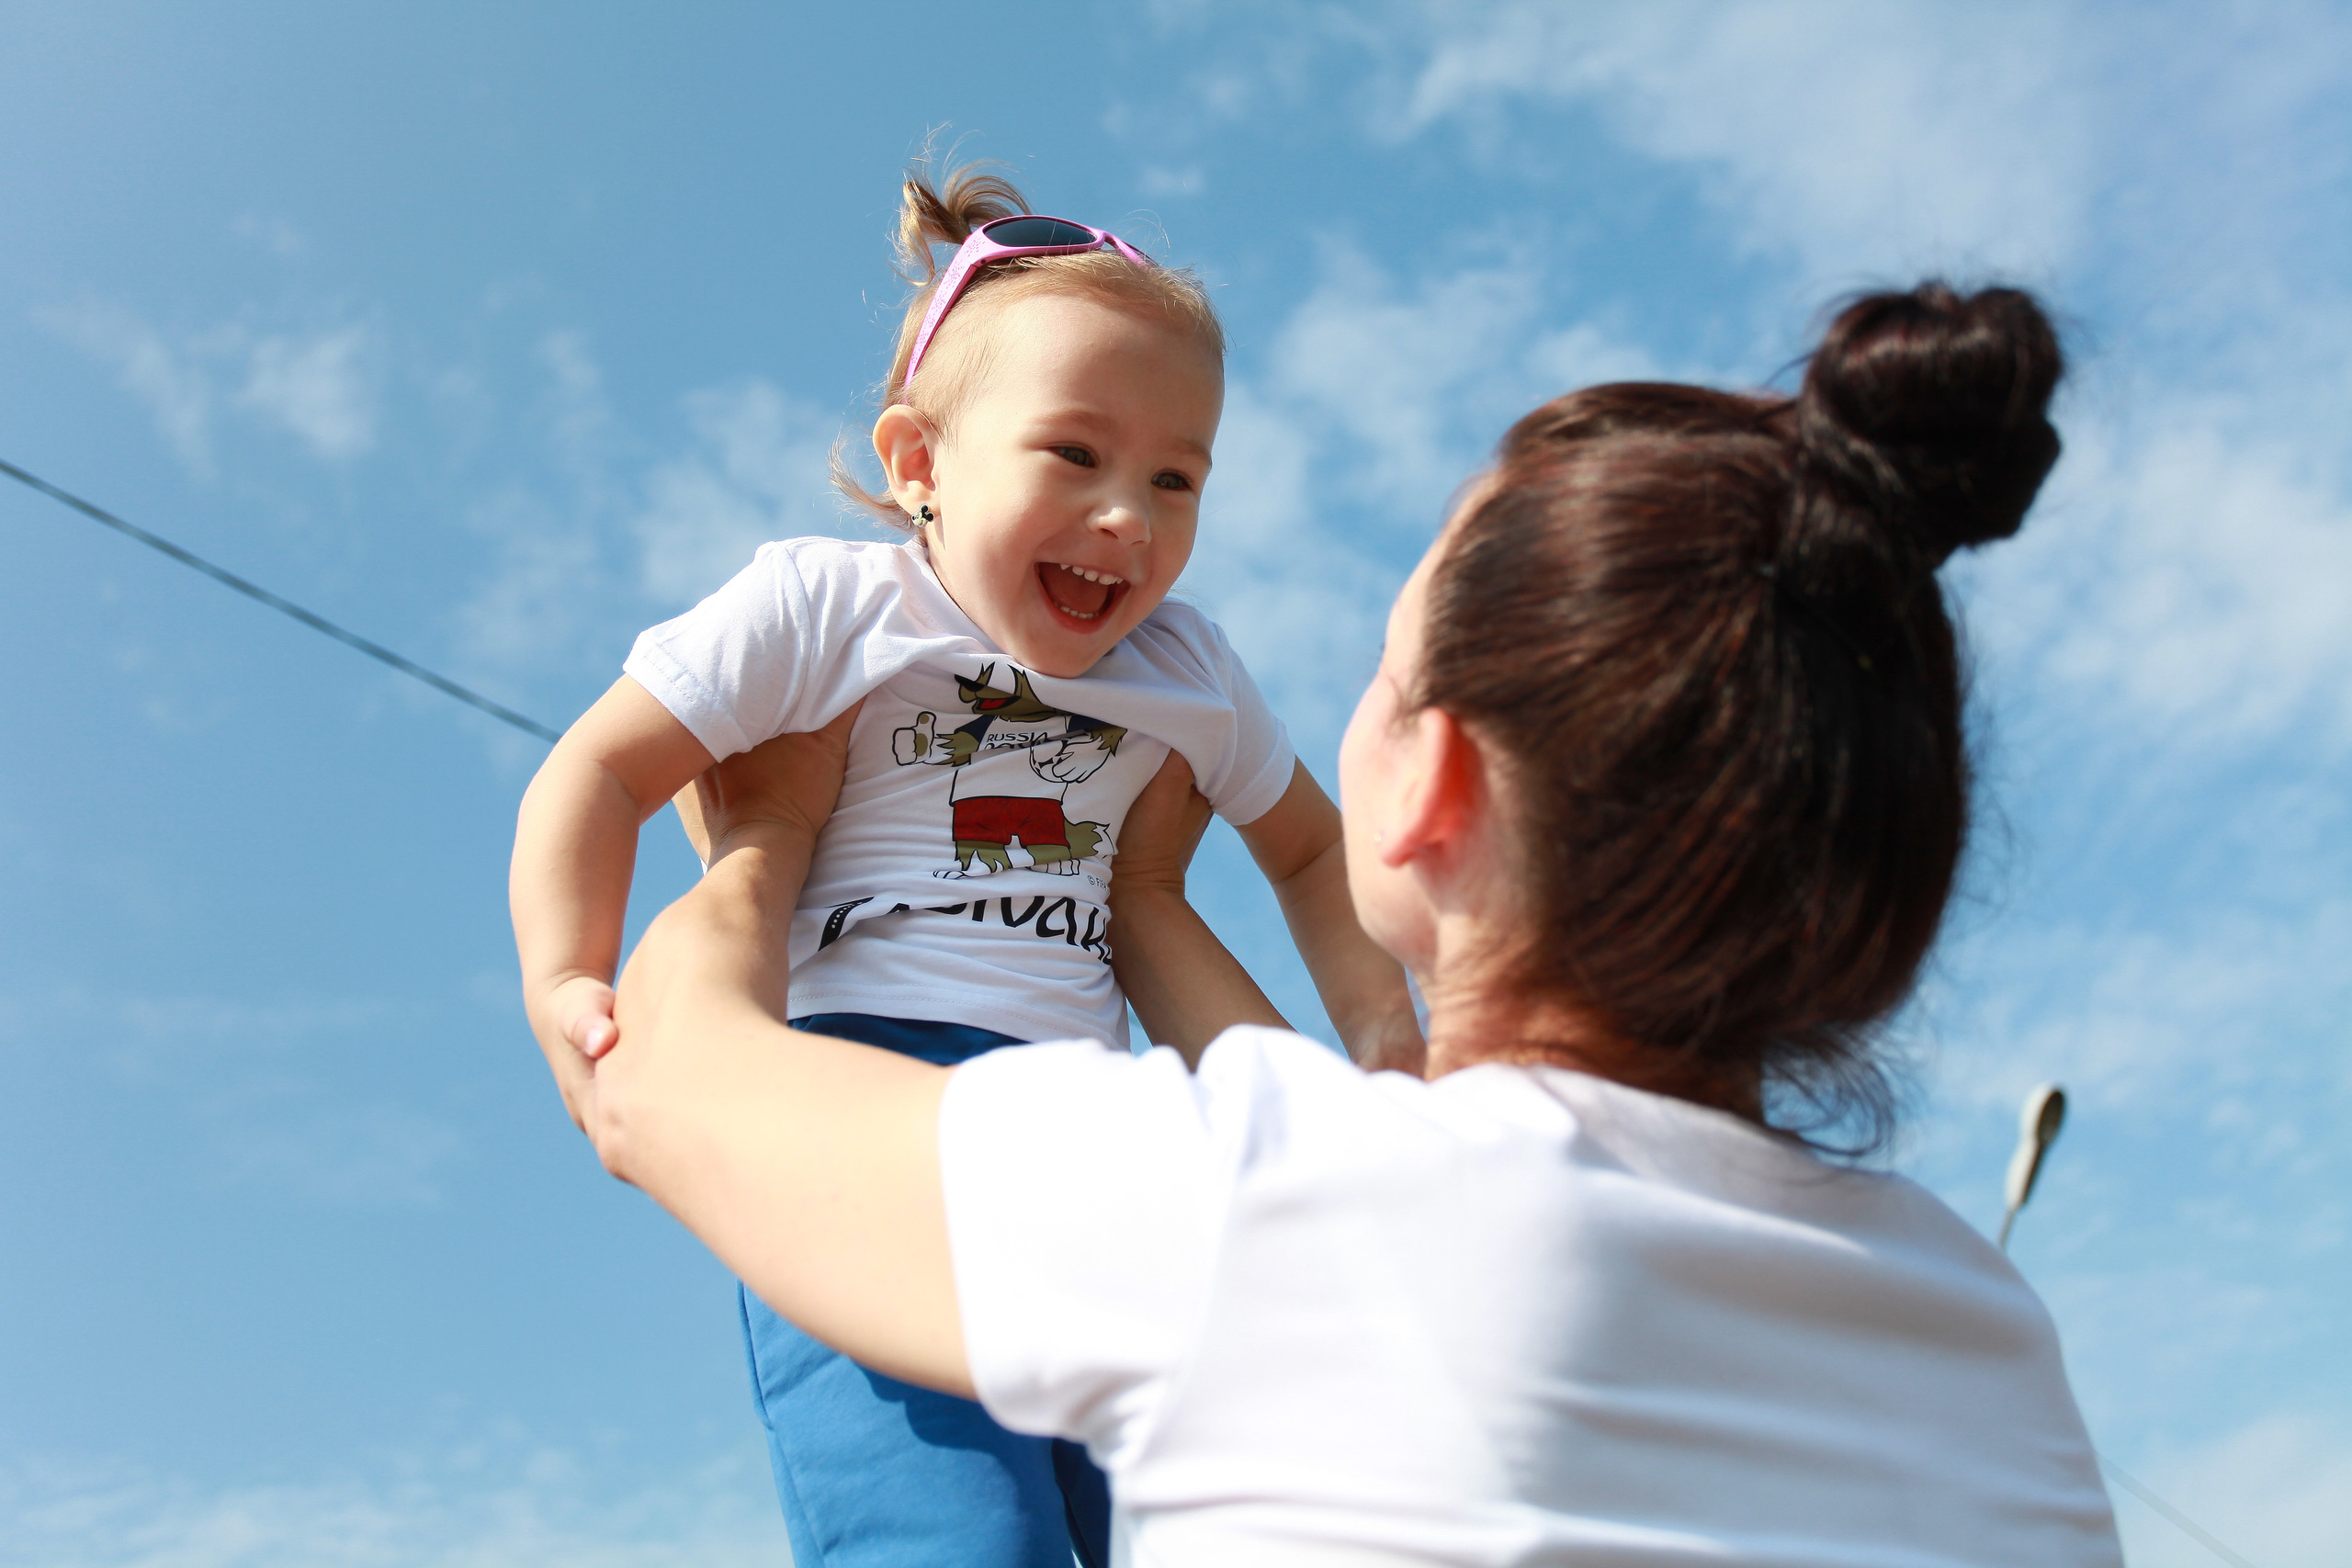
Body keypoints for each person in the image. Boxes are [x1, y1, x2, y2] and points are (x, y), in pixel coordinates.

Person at [569, 281, 2126, 1566]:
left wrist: (767, 830)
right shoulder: (1990, 1342)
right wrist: (1144, 896)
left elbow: (657, 1085)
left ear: (1429, 788)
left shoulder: (1265, 1218)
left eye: (1382, 676)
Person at [509, 161, 1419, 1568]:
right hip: (861, 1106)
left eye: (1178, 478)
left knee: (1190, 1519)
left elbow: (1307, 848)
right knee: (944, 1527)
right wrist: (566, 972)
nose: (1132, 514)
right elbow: (603, 767)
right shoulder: (826, 607)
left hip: (1105, 1128)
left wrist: (1379, 1028)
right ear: (920, 466)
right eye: (1078, 456)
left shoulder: (1187, 671)